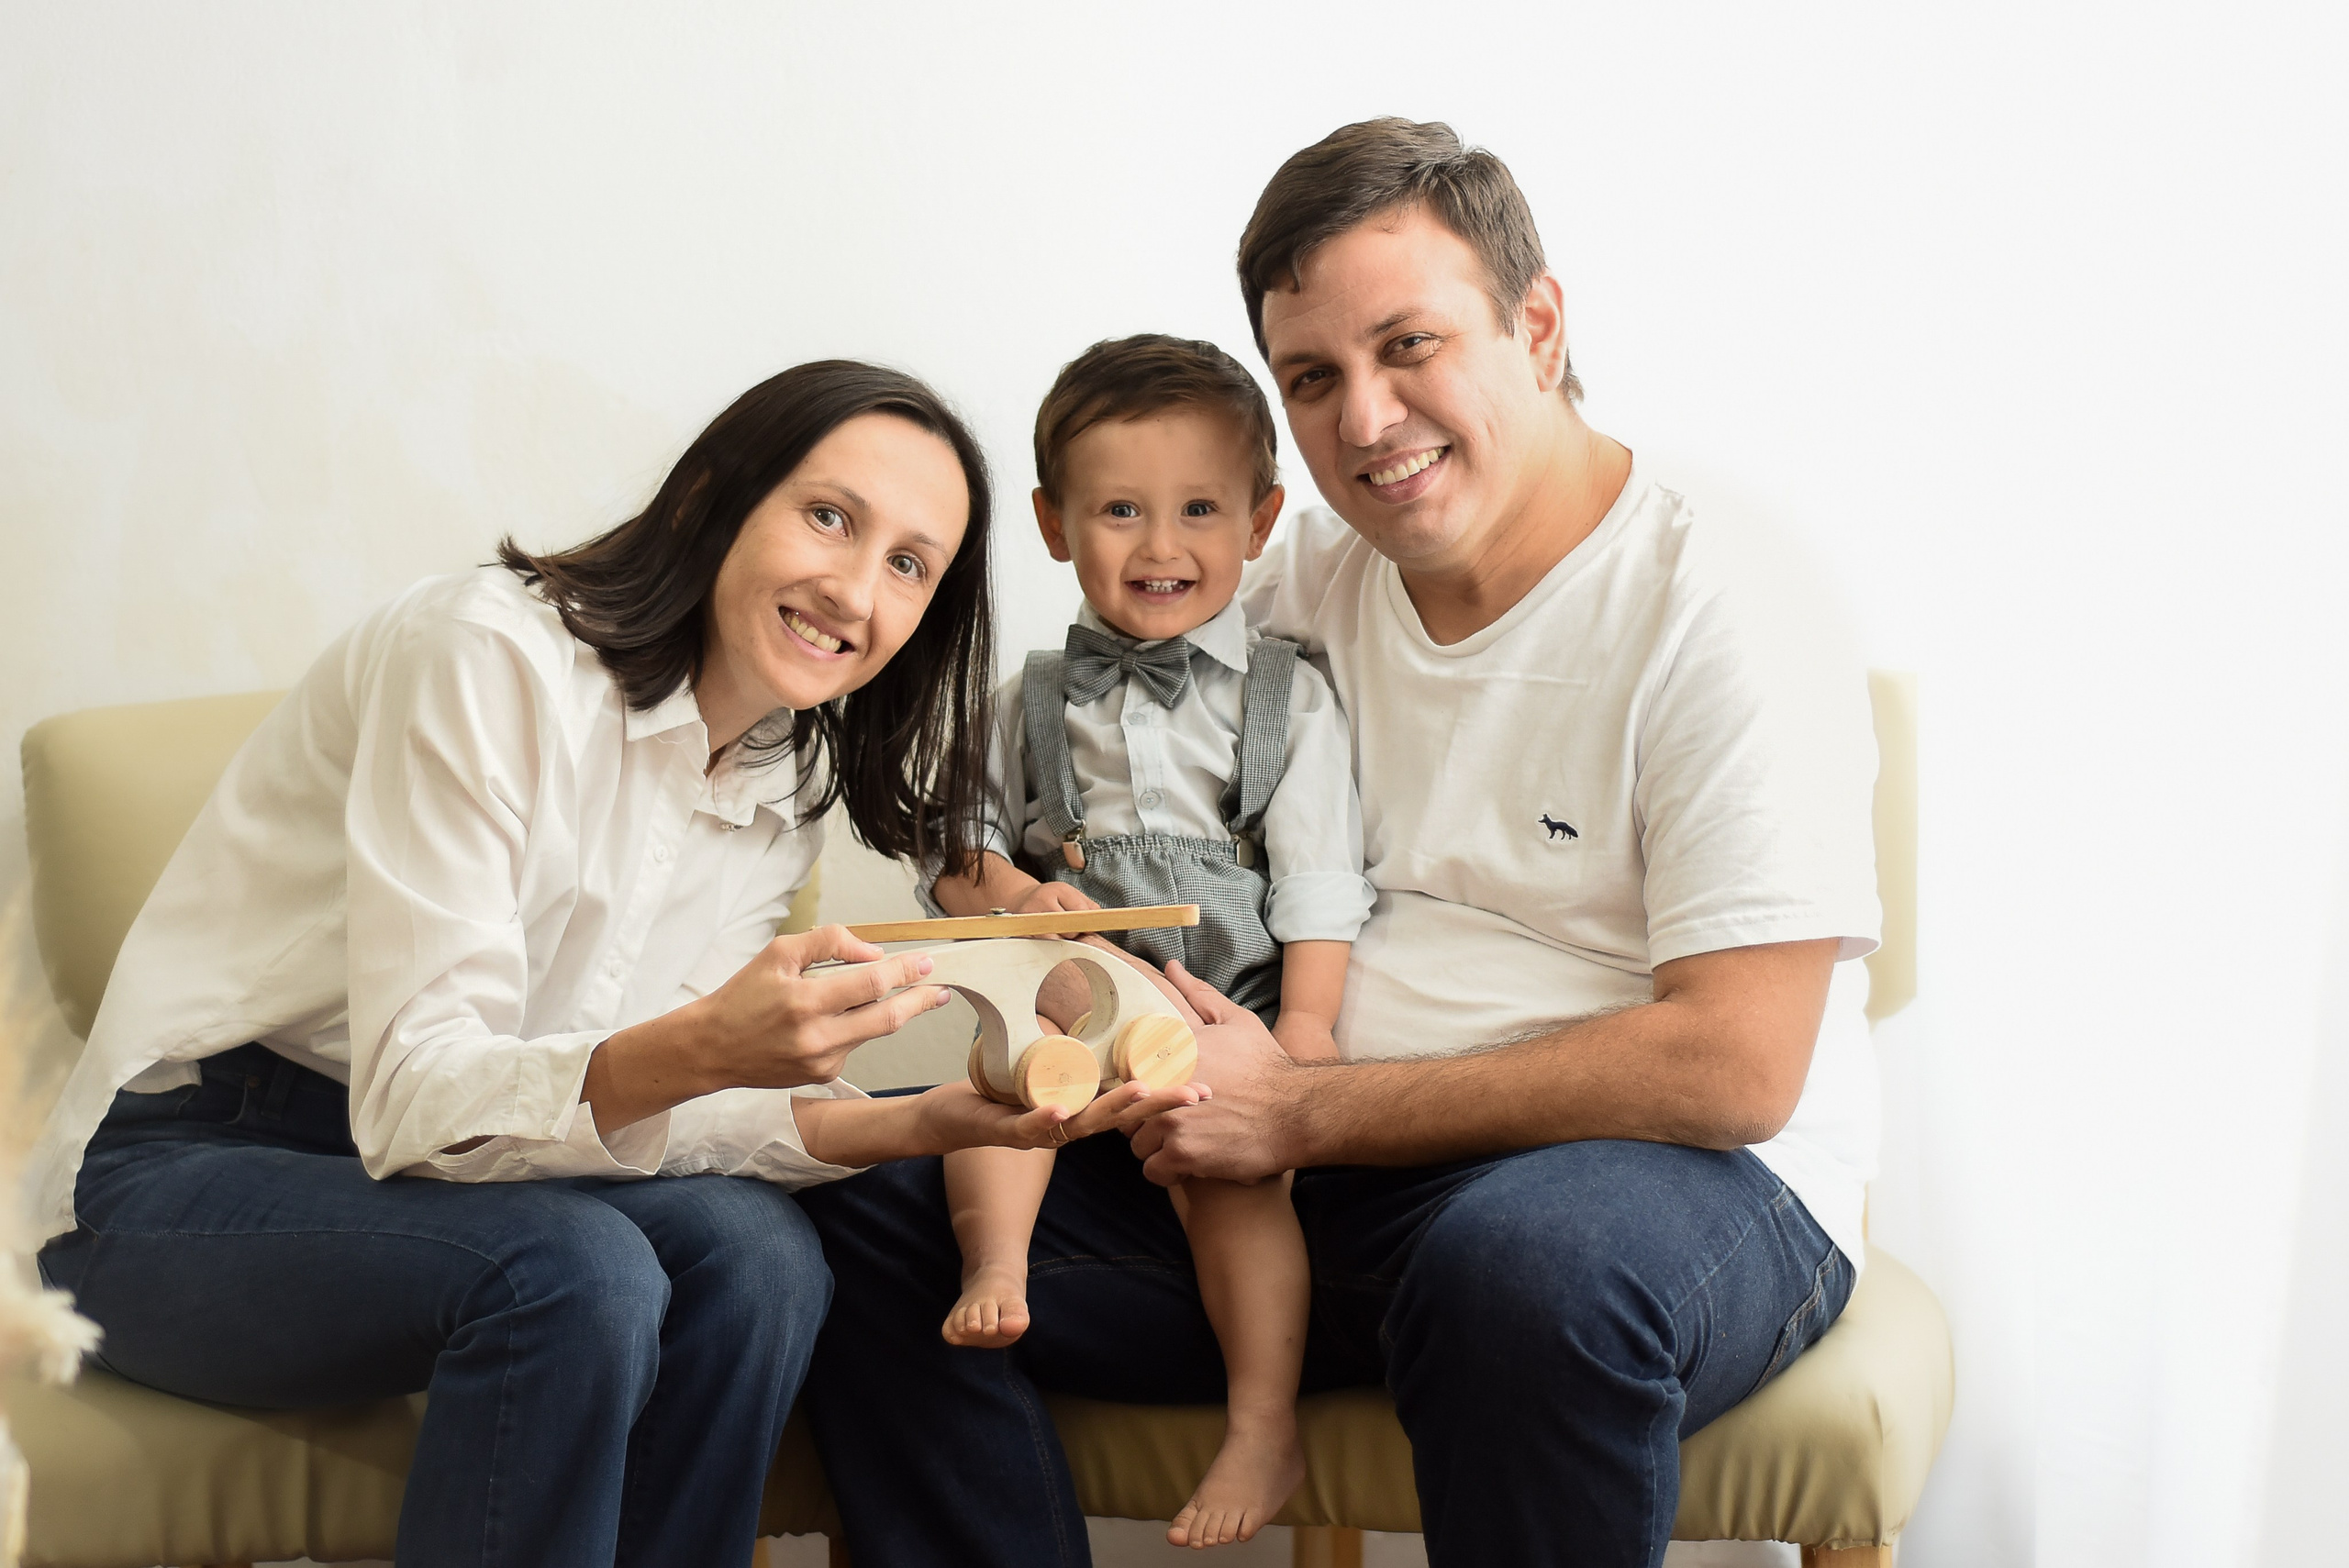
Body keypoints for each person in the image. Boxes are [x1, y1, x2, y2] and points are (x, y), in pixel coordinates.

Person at [796, 121, 1882, 1567]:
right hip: (1304, 1184)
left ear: (1539, 325)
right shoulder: (1292, 580)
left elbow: (1735, 1067)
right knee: (865, 1213)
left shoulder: (1723, 595)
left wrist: (1303, 1106)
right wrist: (1005, 886)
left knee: (1527, 1274)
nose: (1367, 420)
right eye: (1314, 377)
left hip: (1646, 1187)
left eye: (1410, 346)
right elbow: (1047, 705)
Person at [28, 360, 1193, 1568]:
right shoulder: (482, 657)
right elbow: (422, 1095)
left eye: (909, 564)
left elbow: (653, 1107)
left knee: (759, 1258)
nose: (856, 588)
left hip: (469, 1178)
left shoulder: (780, 773)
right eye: (830, 516)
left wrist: (937, 1119)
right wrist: (703, 1046)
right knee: (574, 1273)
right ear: (709, 500)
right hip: (184, 1175)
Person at [926, 334, 1374, 1548]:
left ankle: (1262, 1418)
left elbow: (1322, 883)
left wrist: (1308, 1034)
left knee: (1233, 1181)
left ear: (1261, 520)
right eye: (1120, 509)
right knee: (987, 1097)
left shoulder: (1289, 697)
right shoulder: (1024, 695)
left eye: (1198, 510)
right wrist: (1018, 897)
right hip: (1070, 1002)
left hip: (1214, 1022)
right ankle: (997, 1264)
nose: (1161, 545)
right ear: (1055, 522)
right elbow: (950, 854)